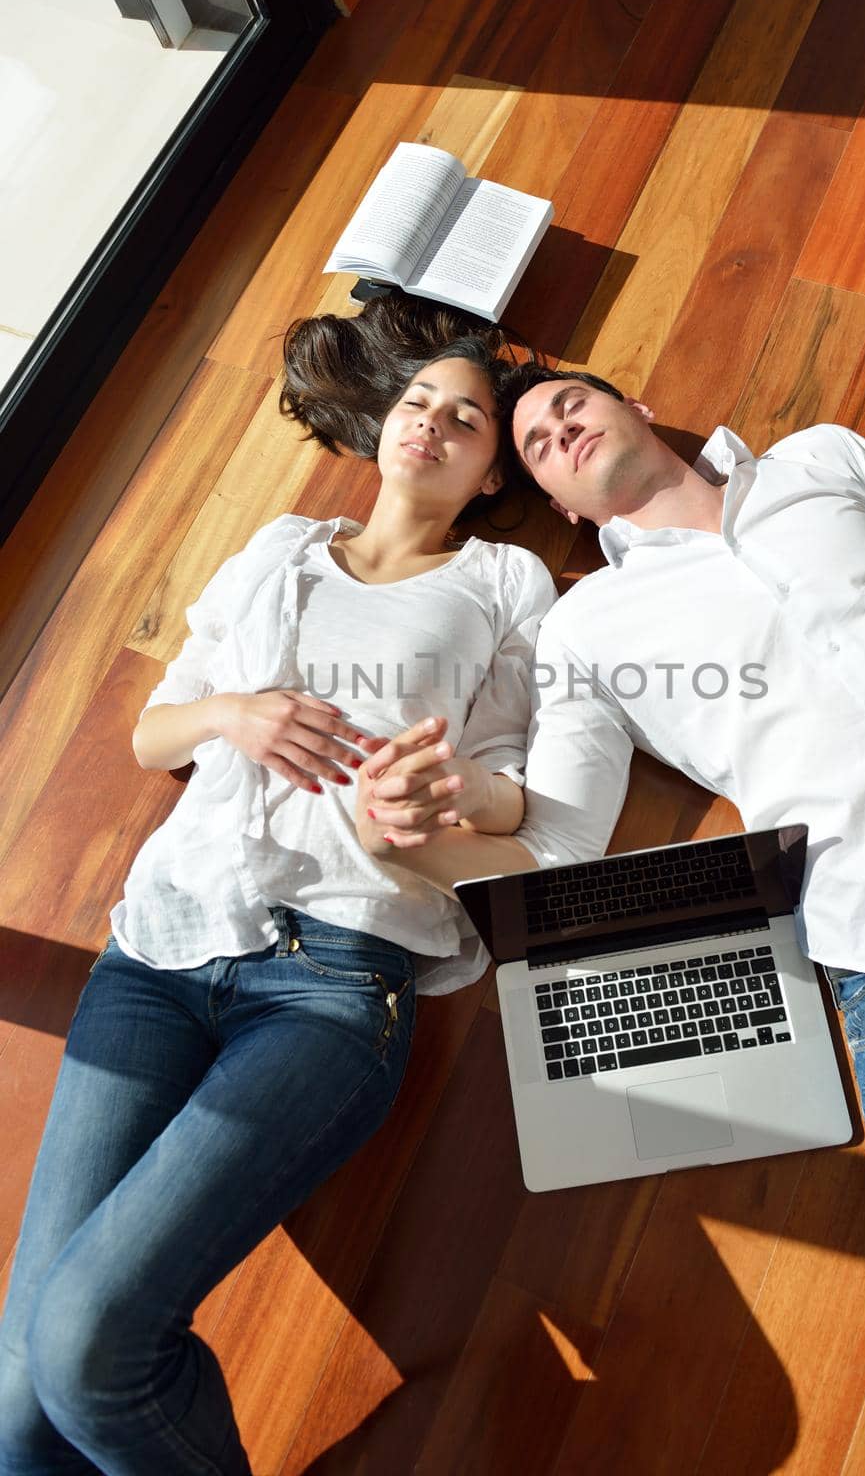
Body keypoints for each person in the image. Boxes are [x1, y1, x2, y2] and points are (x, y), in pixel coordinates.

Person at [354, 366, 865, 1476]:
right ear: (564, 509)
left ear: (634, 404)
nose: (559, 428)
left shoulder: (824, 462)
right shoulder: (588, 626)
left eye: (570, 406)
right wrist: (429, 823)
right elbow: (555, 835)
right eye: (536, 441)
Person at [0, 295, 556, 1475]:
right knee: (16, 1408)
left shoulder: (503, 583)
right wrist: (233, 713)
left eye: (465, 420)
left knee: (90, 1341)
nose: (433, 423)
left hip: (335, 978)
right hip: (159, 953)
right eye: (419, 402)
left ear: (493, 471)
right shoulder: (278, 548)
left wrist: (438, 803)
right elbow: (157, 734)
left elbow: (508, 785)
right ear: (382, 425)